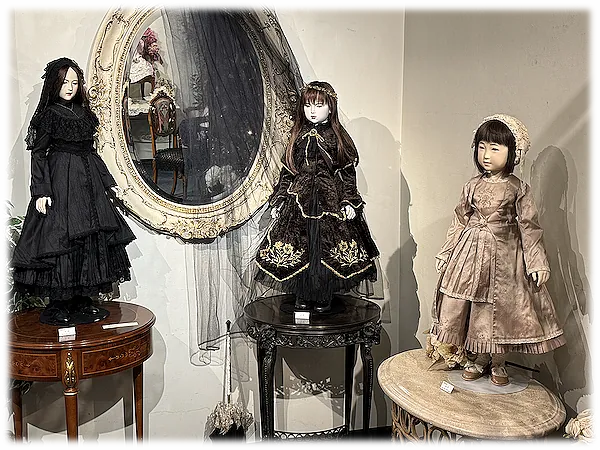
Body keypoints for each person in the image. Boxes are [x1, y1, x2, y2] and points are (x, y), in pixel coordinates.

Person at [431, 114, 565, 386]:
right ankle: (478, 357)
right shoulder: (471, 185)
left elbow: (529, 228)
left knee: (499, 309)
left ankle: (498, 361)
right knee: (473, 306)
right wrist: (446, 252)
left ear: (512, 152)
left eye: (495, 148)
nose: (486, 155)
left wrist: (537, 262)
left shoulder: (518, 188)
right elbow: (459, 220)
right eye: (482, 147)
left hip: (505, 258)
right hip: (469, 255)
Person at [11, 57, 136, 326]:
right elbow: (39, 153)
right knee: (61, 239)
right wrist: (41, 190)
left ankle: (81, 299)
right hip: (61, 184)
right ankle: (59, 304)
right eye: (64, 82)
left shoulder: (85, 115)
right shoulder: (49, 116)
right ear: (54, 84)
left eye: (75, 82)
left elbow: (92, 152)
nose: (69, 87)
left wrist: (107, 182)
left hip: (88, 185)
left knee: (89, 238)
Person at [255, 81, 379, 313]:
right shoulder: (298, 136)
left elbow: (347, 175)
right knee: (301, 245)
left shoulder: (337, 137)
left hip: (329, 201)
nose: (312, 111)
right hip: (299, 201)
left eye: (319, 105)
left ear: (330, 108)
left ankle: (323, 294)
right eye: (308, 105)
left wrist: (348, 201)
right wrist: (280, 199)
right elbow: (288, 172)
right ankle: (303, 293)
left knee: (326, 247)